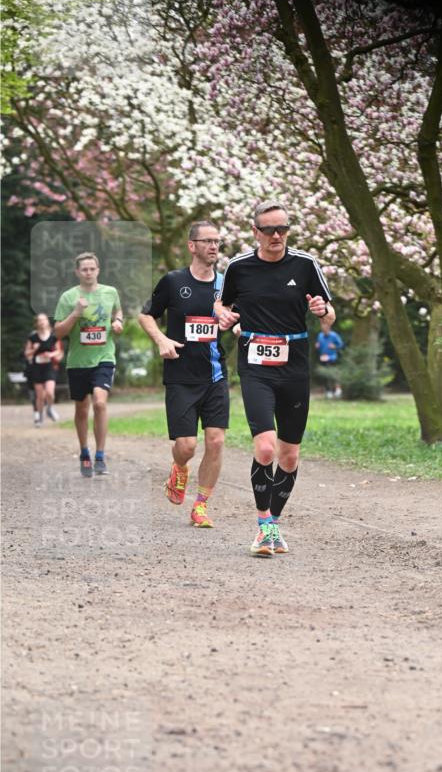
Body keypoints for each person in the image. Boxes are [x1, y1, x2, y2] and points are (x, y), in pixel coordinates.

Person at [216, 200, 335, 556]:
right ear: (256, 232)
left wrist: (322, 311)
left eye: (283, 228)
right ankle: (263, 524)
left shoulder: (306, 264)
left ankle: (274, 525)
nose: (277, 235)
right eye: (269, 229)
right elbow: (221, 304)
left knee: (289, 456)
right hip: (255, 365)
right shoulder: (239, 266)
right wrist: (224, 316)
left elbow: (329, 317)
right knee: (266, 447)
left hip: (295, 366)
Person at [138, 220, 228, 529]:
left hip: (215, 375)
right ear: (192, 246)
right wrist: (161, 339)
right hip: (180, 375)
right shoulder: (173, 281)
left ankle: (200, 506)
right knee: (187, 446)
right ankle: (179, 467)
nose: (213, 246)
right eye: (207, 241)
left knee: (215, 441)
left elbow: (236, 319)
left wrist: (237, 326)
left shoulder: (227, 285)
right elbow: (146, 314)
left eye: (217, 241)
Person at [54, 252, 123, 476]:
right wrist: (75, 313)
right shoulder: (68, 297)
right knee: (81, 408)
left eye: (92, 268)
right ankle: (84, 452)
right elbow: (58, 332)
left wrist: (119, 321)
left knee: (100, 403)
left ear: (98, 270)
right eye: (84, 269)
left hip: (104, 357)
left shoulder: (110, 292)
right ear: (77, 272)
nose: (88, 272)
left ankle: (100, 455)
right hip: (78, 362)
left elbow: (118, 311)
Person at [24, 313, 63, 426]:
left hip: (49, 367)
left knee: (50, 393)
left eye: (44, 320)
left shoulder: (53, 337)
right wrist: (34, 350)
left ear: (47, 322)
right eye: (39, 320)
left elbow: (59, 351)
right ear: (36, 323)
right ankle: (40, 418)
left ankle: (50, 409)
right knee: (40, 395)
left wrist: (50, 355)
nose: (42, 322)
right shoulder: (33, 337)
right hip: (37, 368)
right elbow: (26, 353)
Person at [315, 326, 344, 398]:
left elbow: (341, 344)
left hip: (332, 358)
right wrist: (317, 346)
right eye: (323, 329)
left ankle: (338, 390)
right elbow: (319, 346)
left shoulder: (334, 335)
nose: (324, 331)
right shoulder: (320, 335)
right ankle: (328, 391)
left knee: (333, 375)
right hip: (323, 358)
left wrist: (334, 346)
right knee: (325, 376)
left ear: (329, 329)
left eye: (325, 329)